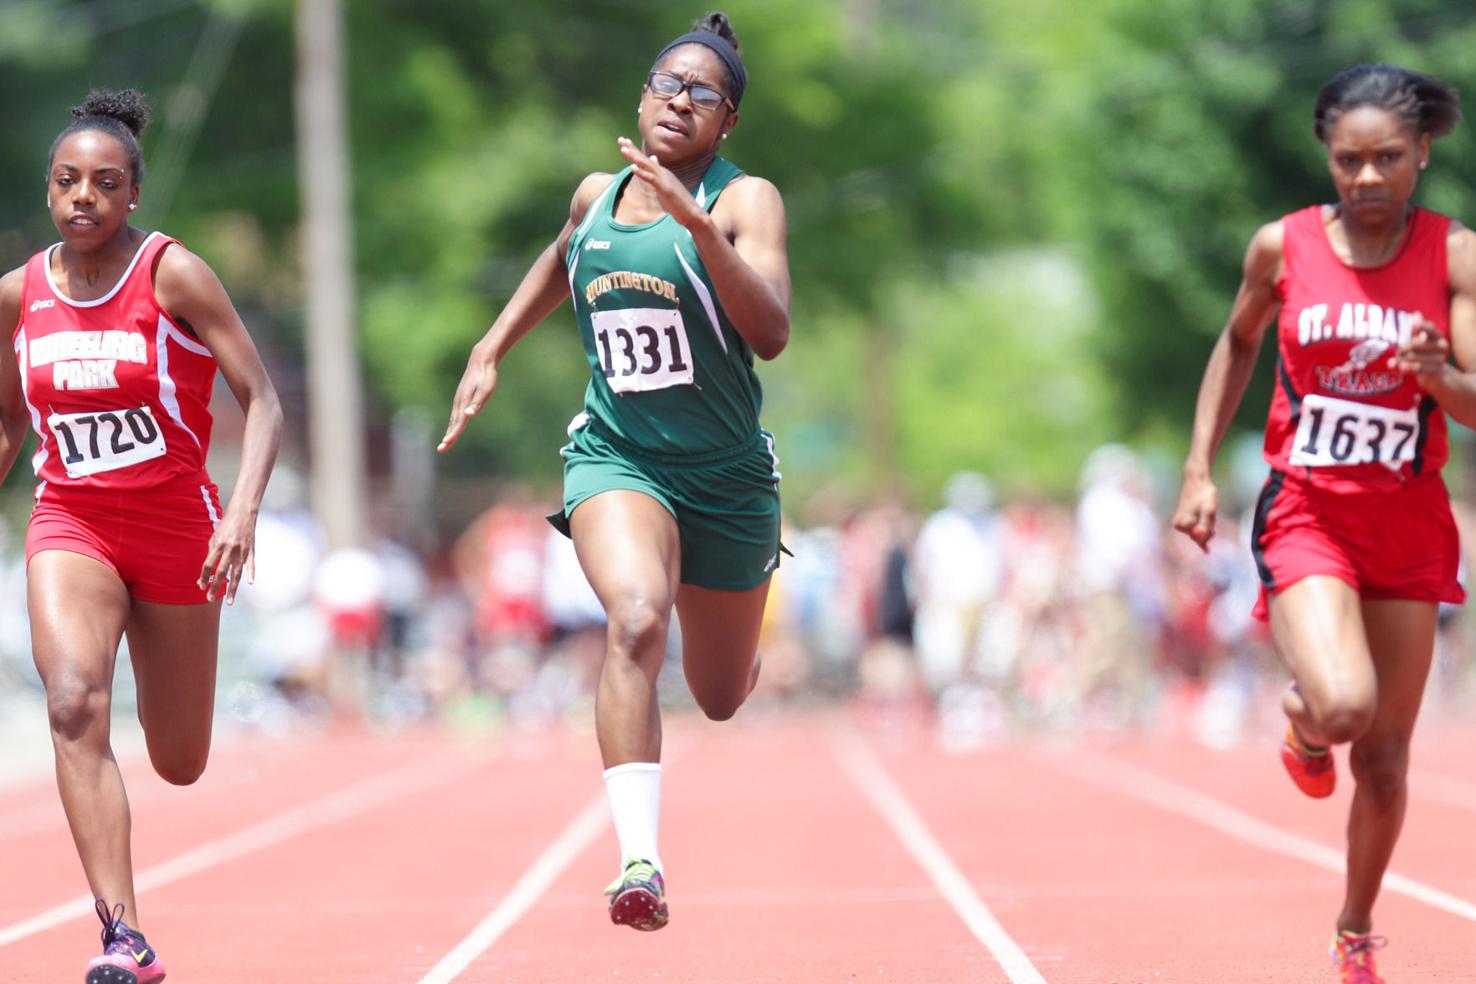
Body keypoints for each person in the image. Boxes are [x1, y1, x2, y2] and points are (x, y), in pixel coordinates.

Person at [440, 12, 788, 932]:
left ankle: (739, 639)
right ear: (642, 95)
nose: (681, 101)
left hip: (726, 476)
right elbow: (564, 260)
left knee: (718, 696)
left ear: (727, 123)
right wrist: (491, 345)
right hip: (617, 454)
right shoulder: (597, 190)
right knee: (636, 615)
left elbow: (773, 332)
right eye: (668, 84)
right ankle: (640, 859)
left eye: (704, 93)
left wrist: (700, 230)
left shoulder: (745, 201)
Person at [1172, 64, 1470, 983]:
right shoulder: (1283, 247)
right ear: (1328, 158)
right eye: (1350, 160)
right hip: (1309, 512)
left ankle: (1354, 927)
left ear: (1422, 152)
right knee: (1345, 706)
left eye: (1388, 158)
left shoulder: (1455, 255)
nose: (1369, 178)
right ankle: (1305, 721)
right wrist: (1196, 471)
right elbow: (1237, 342)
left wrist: (1439, 379)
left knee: (1383, 762)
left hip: (1409, 524)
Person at [0, 89, 283, 983]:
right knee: (74, 701)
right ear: (49, 191)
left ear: (133, 195)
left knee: (180, 758)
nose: (83, 197)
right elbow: (10, 428)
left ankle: (131, 914)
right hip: (71, 520)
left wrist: (239, 512)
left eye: (105, 183)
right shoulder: (16, 296)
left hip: (177, 532)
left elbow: (264, 400)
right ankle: (124, 936)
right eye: (66, 181)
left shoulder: (175, 275)